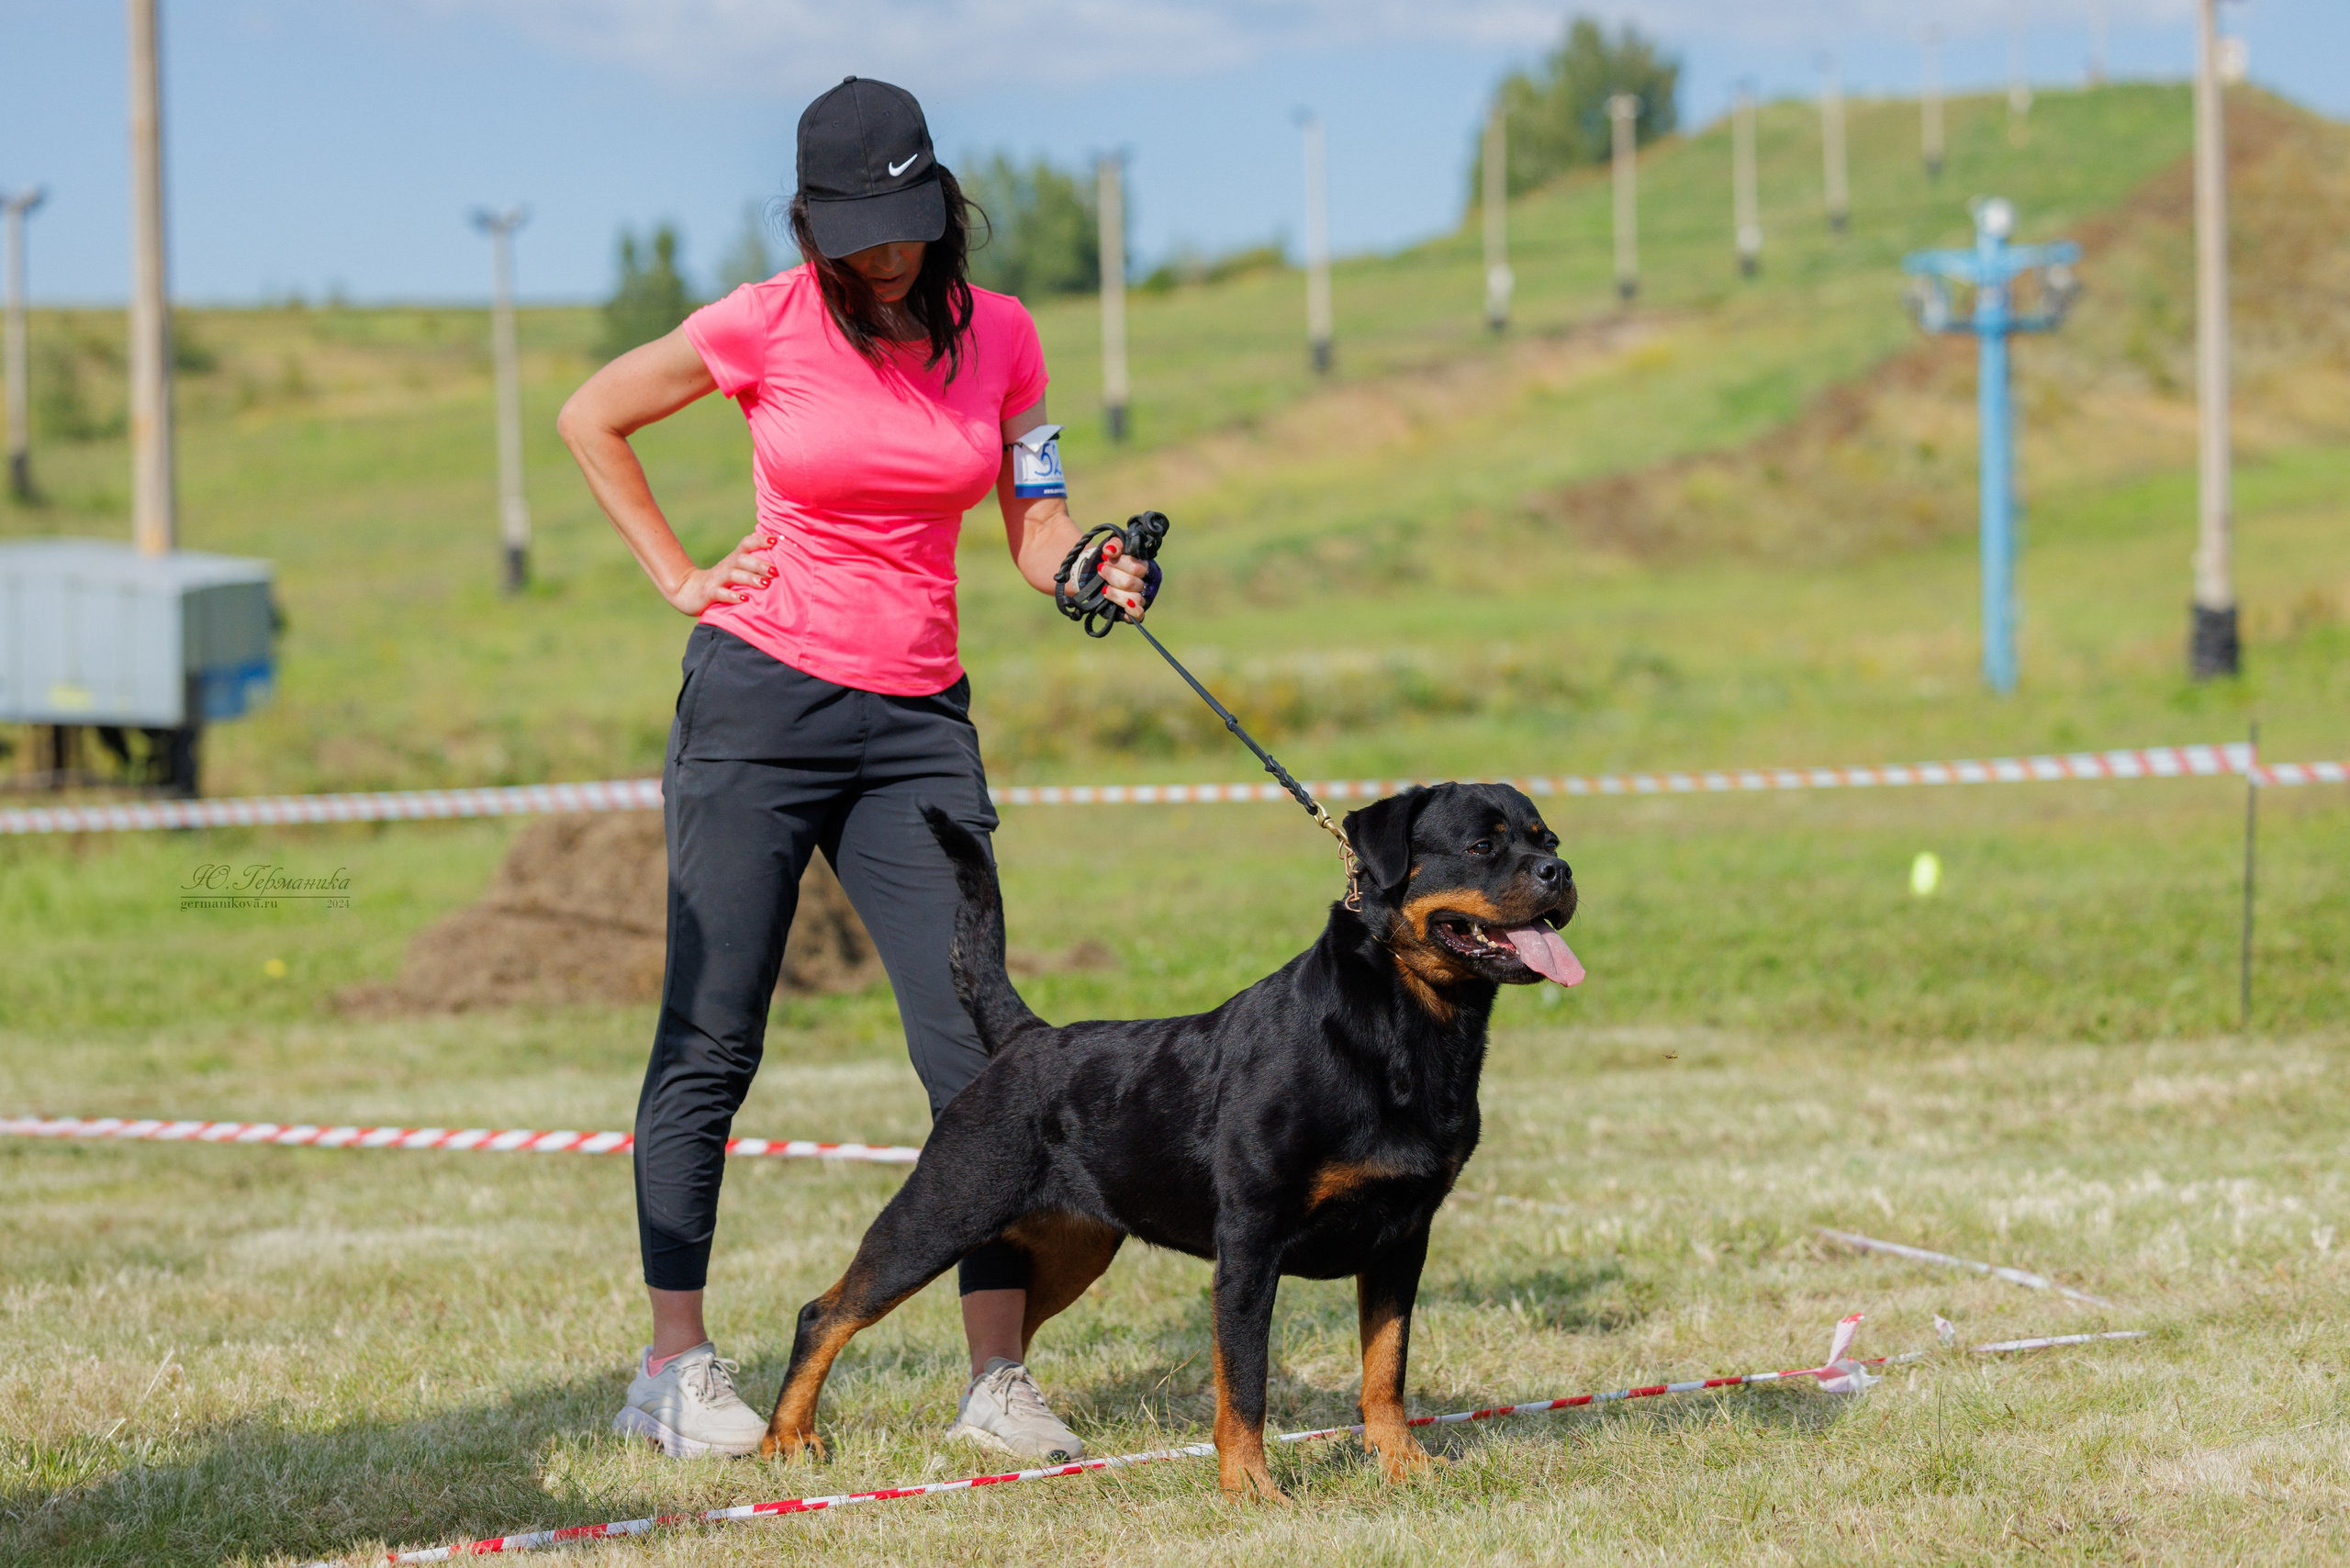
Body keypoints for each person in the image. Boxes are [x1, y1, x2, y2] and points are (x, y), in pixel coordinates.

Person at [557, 76, 1158, 1464]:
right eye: (852, 233)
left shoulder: (1004, 335)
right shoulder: (759, 322)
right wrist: (680, 575)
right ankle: (674, 1365)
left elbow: (1034, 521)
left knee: (984, 1050)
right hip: (759, 705)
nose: (882, 255)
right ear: (809, 225)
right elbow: (593, 415)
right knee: (714, 1034)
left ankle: (997, 1378)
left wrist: (1088, 566)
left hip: (918, 724)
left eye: (902, 225)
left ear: (942, 207)